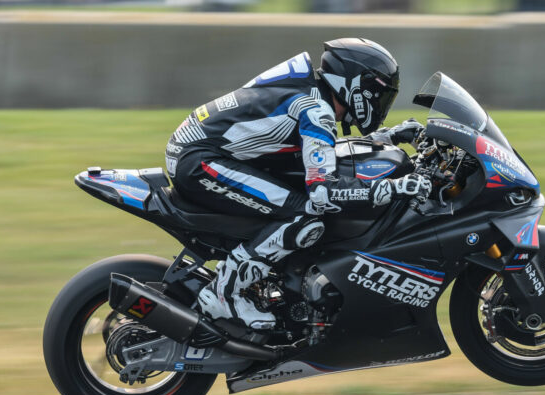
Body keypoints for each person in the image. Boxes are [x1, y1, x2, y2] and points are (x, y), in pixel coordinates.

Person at [165, 38, 431, 332]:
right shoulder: (315, 108)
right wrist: (396, 188)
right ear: (357, 86)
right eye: (379, 95)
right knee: (305, 215)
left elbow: (319, 150)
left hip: (203, 153)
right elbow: (324, 193)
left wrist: (385, 138)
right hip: (200, 161)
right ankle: (224, 293)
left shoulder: (312, 96)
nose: (380, 103)